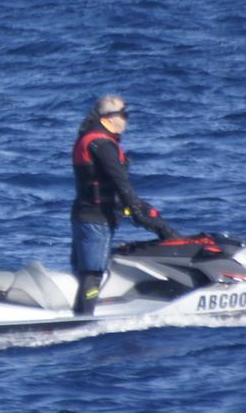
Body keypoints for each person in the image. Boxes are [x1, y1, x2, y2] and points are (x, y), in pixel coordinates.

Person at [70, 95, 179, 315]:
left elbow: (115, 186)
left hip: (87, 216)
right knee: (93, 272)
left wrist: (141, 209)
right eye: (124, 115)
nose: (126, 120)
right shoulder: (101, 143)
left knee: (87, 272)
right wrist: (137, 212)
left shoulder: (92, 139)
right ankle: (82, 320)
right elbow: (120, 181)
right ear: (108, 118)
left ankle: (81, 312)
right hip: (95, 219)